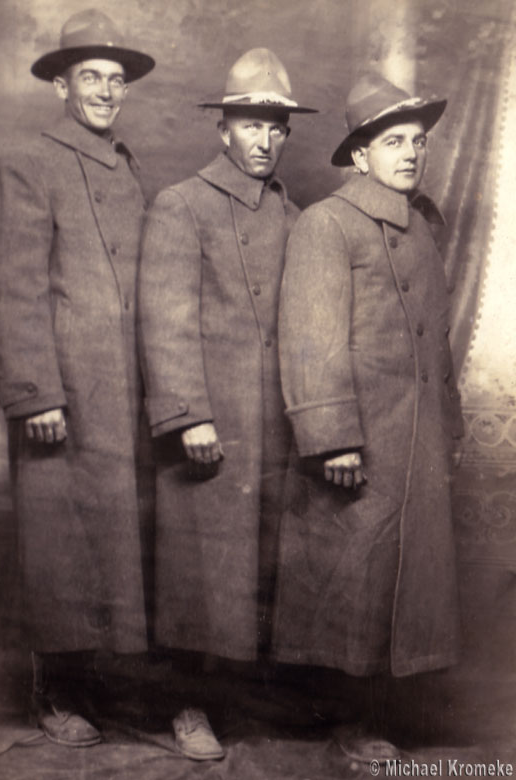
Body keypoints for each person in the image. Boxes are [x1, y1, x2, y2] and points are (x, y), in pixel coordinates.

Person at [272, 73, 464, 759]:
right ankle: (351, 721)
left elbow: (434, 343)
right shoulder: (328, 223)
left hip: (417, 436)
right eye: (393, 141)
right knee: (353, 575)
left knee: (405, 580)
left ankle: (385, 709)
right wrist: (330, 438)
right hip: (361, 438)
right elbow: (311, 337)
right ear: (360, 156)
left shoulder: (421, 226)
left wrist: (451, 427)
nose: (411, 153)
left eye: (417, 141)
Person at [0, 9, 154, 747]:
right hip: (65, 394)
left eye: (116, 80)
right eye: (92, 78)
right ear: (60, 85)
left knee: (112, 544)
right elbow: (9, 286)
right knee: (59, 544)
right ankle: (56, 690)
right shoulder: (28, 162)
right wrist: (35, 392)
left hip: (125, 396)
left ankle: (101, 684)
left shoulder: (130, 169)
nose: (108, 91)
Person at [138, 49, 317, 760]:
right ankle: (186, 705)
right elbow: (165, 317)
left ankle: (244, 694)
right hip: (211, 424)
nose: (266, 140)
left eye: (277, 127)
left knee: (261, 571)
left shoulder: (295, 215)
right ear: (223, 130)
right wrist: (190, 414)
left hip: (273, 425)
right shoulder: (180, 204)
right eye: (251, 125)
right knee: (197, 569)